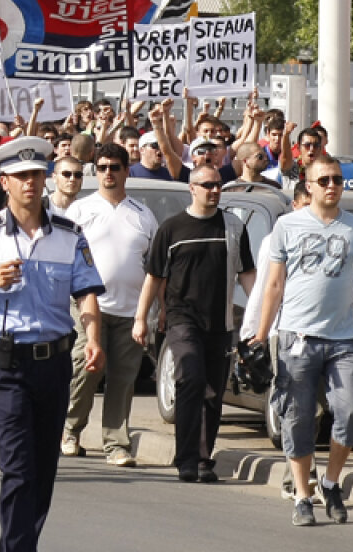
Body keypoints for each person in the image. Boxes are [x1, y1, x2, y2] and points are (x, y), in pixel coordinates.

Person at [0, 136, 104, 552]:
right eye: (21, 176)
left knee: (43, 470)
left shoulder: (69, 235)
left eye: (36, 174)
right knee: (17, 467)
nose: (30, 183)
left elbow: (86, 292)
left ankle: (19, 545)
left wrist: (93, 337)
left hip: (53, 364)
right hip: (7, 363)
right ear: (4, 182)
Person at [251, 155, 353, 527]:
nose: (333, 185)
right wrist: (260, 334)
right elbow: (273, 285)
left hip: (343, 339)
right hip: (296, 338)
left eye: (337, 179)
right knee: (298, 418)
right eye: (324, 180)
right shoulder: (287, 226)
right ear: (308, 186)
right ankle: (303, 495)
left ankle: (331, 481)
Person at [132, 163, 256, 483]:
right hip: (181, 319)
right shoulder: (172, 229)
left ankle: (203, 458)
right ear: (192, 188)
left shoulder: (233, 226)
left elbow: (247, 275)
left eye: (217, 185)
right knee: (191, 379)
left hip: (220, 322)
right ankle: (186, 458)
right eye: (207, 185)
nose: (214, 191)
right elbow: (154, 277)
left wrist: (258, 316)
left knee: (213, 392)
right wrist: (140, 319)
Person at [62, 142, 157, 467]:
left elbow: (154, 267)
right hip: (90, 310)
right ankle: (71, 431)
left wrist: (147, 314)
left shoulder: (142, 214)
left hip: (131, 312)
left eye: (114, 167)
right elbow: (65, 258)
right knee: (85, 371)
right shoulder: (80, 210)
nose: (108, 173)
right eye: (102, 167)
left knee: (123, 379)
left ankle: (116, 444)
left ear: (126, 171)